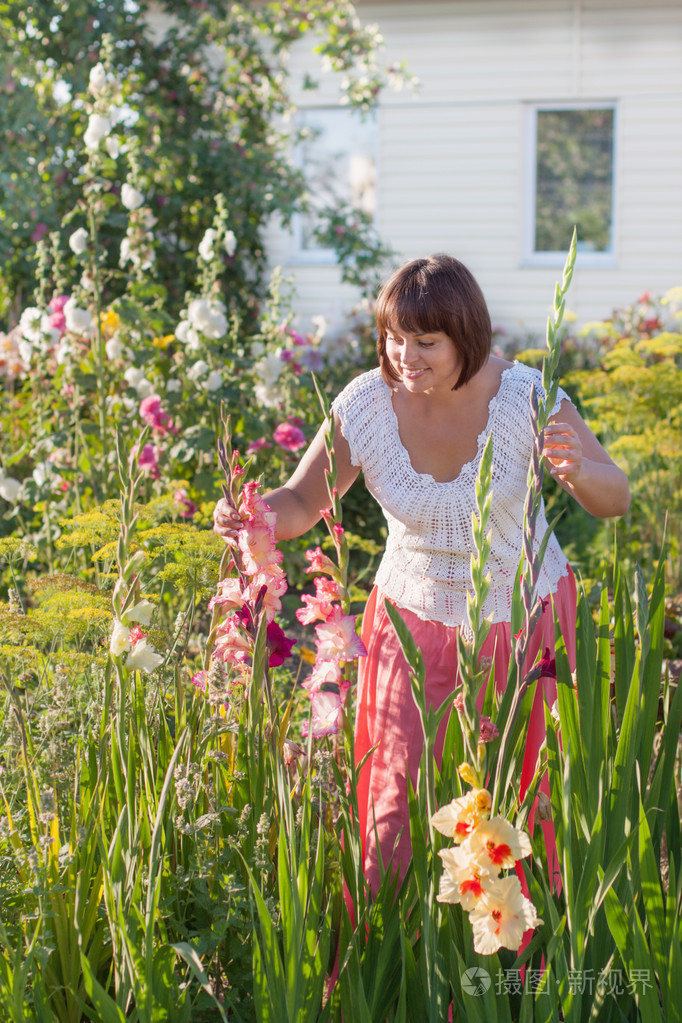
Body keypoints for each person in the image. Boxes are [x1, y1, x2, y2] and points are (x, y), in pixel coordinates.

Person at [213, 254, 630, 892]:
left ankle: (521, 978)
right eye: (394, 337)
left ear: (467, 334)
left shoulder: (526, 396)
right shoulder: (366, 405)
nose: (405, 355)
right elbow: (302, 501)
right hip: (410, 625)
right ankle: (403, 972)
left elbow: (616, 496)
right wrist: (251, 514)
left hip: (523, 623)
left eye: (426, 342)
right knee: (395, 805)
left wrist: (579, 474)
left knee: (528, 804)